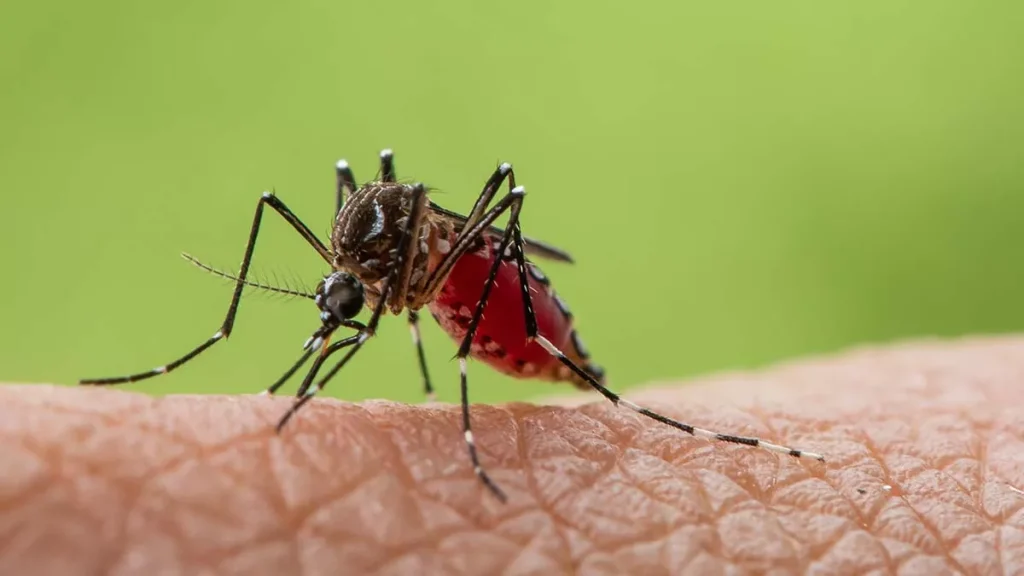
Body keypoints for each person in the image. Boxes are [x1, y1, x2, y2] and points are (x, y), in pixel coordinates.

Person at [2, 337, 1021, 574]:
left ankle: (548, 388)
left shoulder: (413, 294)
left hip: (493, 293)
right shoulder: (350, 270)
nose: (337, 323)